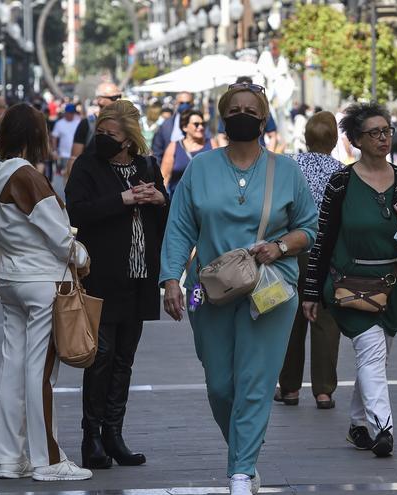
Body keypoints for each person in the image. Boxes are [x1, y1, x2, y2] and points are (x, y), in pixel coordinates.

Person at [160, 82, 318, 495]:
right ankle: (244, 450)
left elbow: (310, 228)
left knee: (255, 381)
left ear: (264, 119)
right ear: (223, 117)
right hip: (206, 290)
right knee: (220, 385)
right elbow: (179, 227)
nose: (243, 115)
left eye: (251, 109)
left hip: (271, 291)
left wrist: (280, 246)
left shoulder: (286, 170)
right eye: (235, 109)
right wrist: (170, 280)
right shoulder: (200, 168)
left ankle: (242, 472)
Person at [304, 102, 397, 459]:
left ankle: (358, 422)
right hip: (349, 285)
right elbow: (323, 237)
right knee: (371, 353)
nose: (384, 138)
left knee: (376, 357)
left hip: (394, 283)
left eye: (387, 130)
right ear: (356, 139)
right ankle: (382, 429)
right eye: (374, 133)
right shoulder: (341, 182)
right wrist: (311, 291)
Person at [0, 103, 93, 482]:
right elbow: (58, 232)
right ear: (36, 136)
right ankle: (49, 460)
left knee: (13, 367)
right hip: (43, 279)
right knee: (39, 372)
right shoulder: (26, 175)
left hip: (11, 279)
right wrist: (80, 254)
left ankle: (11, 458)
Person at [66, 100, 168, 469]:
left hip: (139, 277)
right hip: (103, 277)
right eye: (101, 132)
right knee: (101, 357)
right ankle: (90, 437)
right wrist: (122, 199)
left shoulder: (145, 165)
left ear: (129, 139)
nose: (103, 138)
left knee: (124, 359)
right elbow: (76, 212)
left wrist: (159, 198)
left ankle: (114, 434)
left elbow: (166, 214)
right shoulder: (87, 167)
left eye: (111, 134)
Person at [275, 111, 343, 409]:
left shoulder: (289, 165)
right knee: (326, 321)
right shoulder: (343, 172)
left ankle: (289, 388)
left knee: (290, 319)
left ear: (305, 138)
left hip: (293, 250)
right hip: (328, 255)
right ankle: (324, 390)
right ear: (335, 138)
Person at [66, 82, 122, 179]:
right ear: (100, 100)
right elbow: (74, 158)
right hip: (91, 185)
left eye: (120, 96)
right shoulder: (87, 124)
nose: (119, 100)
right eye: (114, 98)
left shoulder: (124, 124)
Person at [215, 77, 279, 152]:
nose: (243, 114)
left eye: (251, 111)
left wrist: (269, 158)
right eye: (235, 110)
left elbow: (273, 135)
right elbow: (221, 136)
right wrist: (226, 156)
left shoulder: (263, 110)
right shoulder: (203, 161)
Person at [160, 109, 214, 197]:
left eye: (203, 124)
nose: (201, 127)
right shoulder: (174, 146)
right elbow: (164, 177)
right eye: (196, 124)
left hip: (207, 200)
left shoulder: (211, 144)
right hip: (179, 201)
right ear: (185, 127)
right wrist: (162, 202)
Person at [151, 91, 195, 162]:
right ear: (176, 104)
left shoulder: (200, 124)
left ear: (192, 104)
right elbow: (157, 150)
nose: (185, 105)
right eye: (182, 103)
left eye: (187, 103)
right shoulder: (166, 125)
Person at [51, 104, 81, 176]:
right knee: (65, 176)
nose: (70, 115)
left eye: (72, 113)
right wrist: (54, 151)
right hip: (63, 155)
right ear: (65, 113)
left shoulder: (78, 122)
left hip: (75, 156)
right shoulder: (59, 123)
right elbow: (54, 138)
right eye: (69, 113)